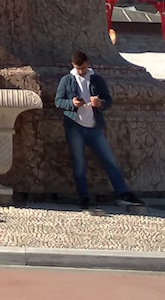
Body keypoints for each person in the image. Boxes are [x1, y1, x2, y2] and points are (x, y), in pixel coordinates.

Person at [54, 51, 143, 209]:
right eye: (77, 68)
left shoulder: (97, 79)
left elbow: (108, 100)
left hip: (94, 127)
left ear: (87, 64)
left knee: (109, 160)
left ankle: (123, 192)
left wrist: (100, 103)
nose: (80, 71)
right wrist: (71, 103)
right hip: (74, 126)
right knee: (79, 163)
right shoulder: (67, 80)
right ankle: (84, 196)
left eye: (82, 68)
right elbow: (58, 101)